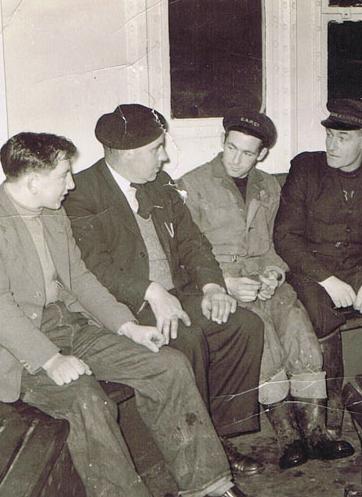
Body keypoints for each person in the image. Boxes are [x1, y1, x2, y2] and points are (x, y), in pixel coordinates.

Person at [0, 133, 273, 497]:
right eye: (63, 175)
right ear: (32, 180)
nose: (70, 184)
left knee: (168, 364)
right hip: (17, 350)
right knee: (86, 396)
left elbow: (80, 280)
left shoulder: (51, 212)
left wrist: (127, 326)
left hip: (71, 326)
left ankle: (208, 487)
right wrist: (49, 358)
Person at [64, 104, 264, 476]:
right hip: (125, 306)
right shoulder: (82, 193)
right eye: (157, 148)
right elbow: (93, 267)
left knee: (243, 325)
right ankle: (191, 449)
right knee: (185, 337)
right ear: (126, 154)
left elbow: (192, 242)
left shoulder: (160, 185)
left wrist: (212, 287)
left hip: (178, 292)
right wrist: (151, 290)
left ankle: (220, 438)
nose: (165, 156)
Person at [179, 108, 355, 469]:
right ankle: (288, 437)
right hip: (226, 285)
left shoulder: (268, 185)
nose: (236, 159)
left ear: (262, 154)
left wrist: (275, 273)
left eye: (247, 153)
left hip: (268, 282)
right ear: (223, 142)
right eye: (231, 148)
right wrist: (225, 283)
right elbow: (184, 254)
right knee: (268, 349)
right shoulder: (192, 185)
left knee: (300, 337)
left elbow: (277, 244)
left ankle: (316, 432)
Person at [273, 99, 362, 437]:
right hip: (314, 270)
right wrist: (327, 279)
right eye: (330, 136)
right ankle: (330, 413)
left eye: (343, 138)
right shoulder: (306, 168)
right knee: (316, 308)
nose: (332, 146)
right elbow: (285, 237)